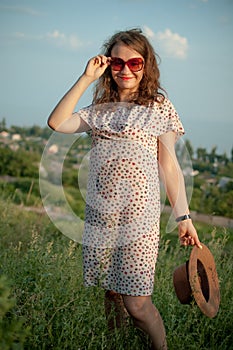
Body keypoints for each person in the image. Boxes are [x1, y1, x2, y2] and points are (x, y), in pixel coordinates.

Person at [47, 28, 202, 350]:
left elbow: (170, 165)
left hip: (139, 219)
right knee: (112, 293)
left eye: (135, 62)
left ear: (147, 65)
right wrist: (86, 77)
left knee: (137, 305)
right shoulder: (100, 109)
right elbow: (57, 123)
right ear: (107, 65)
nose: (126, 70)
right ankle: (117, 344)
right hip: (101, 219)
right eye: (117, 63)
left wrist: (183, 216)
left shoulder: (158, 105)